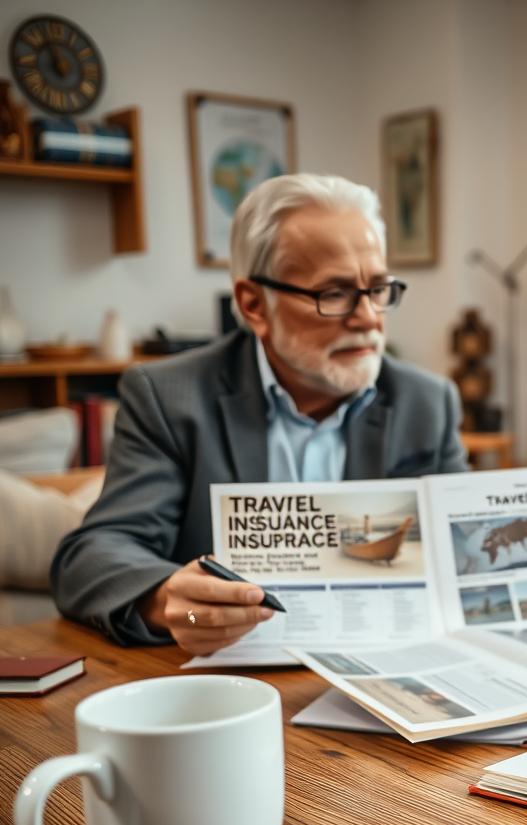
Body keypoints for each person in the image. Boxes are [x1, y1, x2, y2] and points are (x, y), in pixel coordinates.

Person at [53, 173, 467, 654]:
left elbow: (461, 553)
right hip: (230, 683)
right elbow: (90, 558)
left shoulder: (427, 402)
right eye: (333, 294)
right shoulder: (169, 398)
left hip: (385, 671)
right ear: (253, 304)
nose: (369, 318)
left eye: (378, 289)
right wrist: (175, 605)